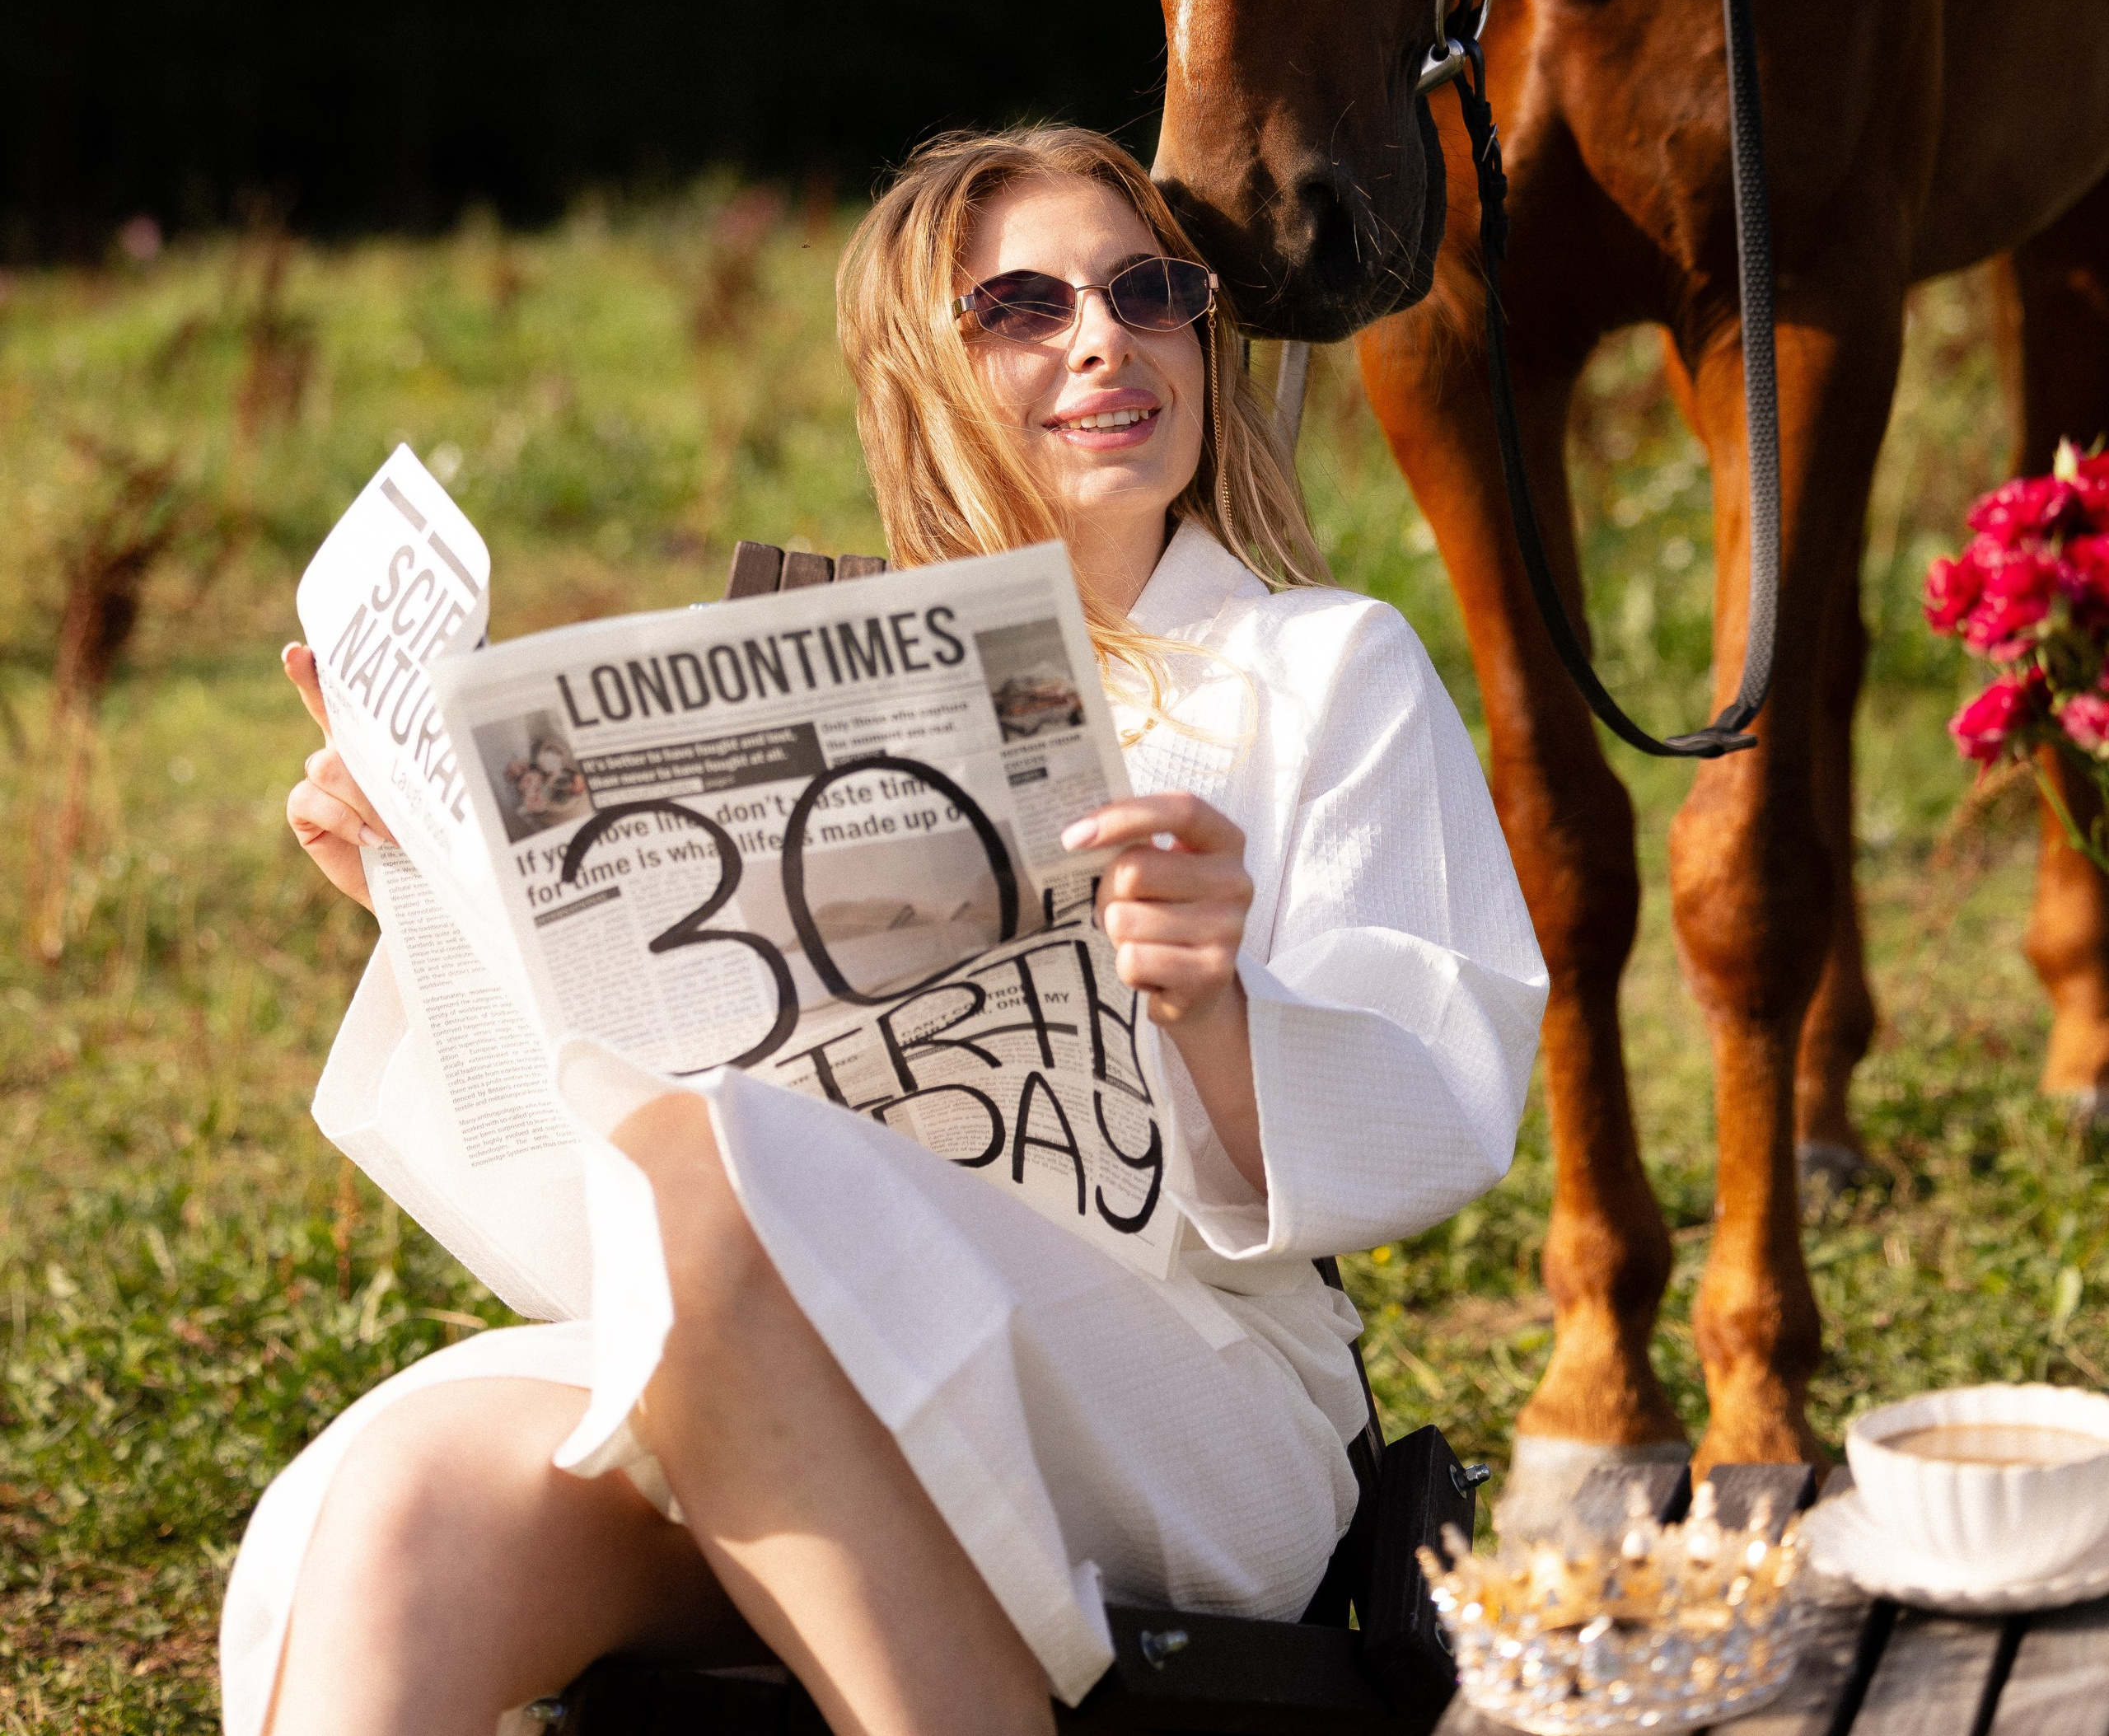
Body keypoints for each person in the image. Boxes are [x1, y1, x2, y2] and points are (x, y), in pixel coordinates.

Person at [228, 124, 1546, 1736]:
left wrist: (1217, 1005)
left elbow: (1439, 1098)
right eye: (1022, 306)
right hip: (764, 1347)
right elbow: (585, 1185)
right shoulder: (774, 677)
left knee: (720, 1172)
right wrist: (435, 904)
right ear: (919, 376)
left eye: (1147, 290)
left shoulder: (1323, 664)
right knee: (410, 1500)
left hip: (1184, 1382)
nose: (1103, 336)